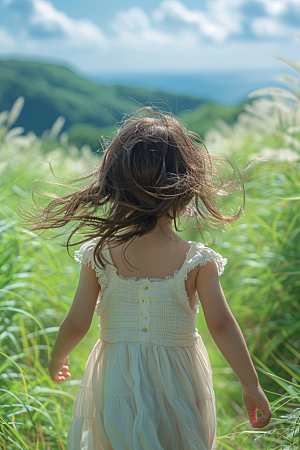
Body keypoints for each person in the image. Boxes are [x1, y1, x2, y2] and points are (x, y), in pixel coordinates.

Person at [27, 108, 272, 449]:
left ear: (113, 186)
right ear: (186, 187)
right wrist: (250, 383)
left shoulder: (100, 254)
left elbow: (76, 322)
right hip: (178, 380)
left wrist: (57, 357)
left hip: (117, 379)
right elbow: (222, 324)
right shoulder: (197, 260)